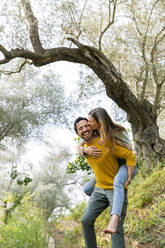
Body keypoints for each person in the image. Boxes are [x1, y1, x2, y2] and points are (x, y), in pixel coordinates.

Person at [74, 117, 136, 248]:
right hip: (99, 189)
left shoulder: (104, 142)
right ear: (77, 133)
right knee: (86, 221)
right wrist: (84, 150)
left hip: (116, 190)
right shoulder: (83, 148)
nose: (85, 129)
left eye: (86, 126)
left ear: (92, 127)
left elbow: (129, 155)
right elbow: (79, 147)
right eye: (81, 128)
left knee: (116, 228)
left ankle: (113, 205)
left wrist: (129, 177)